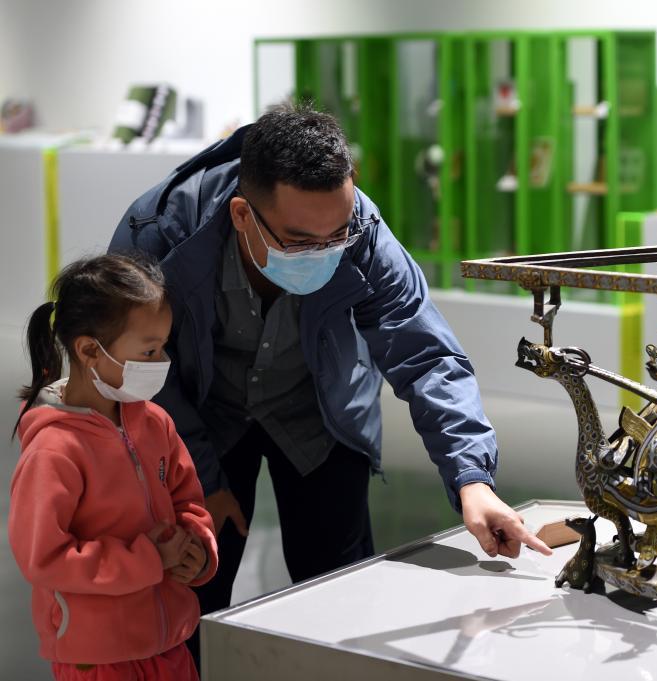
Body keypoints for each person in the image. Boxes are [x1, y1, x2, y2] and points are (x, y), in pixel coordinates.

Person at [110, 105, 552, 662]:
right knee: (193, 595)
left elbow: (426, 354)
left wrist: (472, 479)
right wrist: (197, 473)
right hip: (202, 417)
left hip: (321, 414)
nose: (320, 251)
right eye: (298, 241)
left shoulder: (362, 229)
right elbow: (139, 367)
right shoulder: (162, 230)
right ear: (243, 214)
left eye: (334, 236)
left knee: (343, 594)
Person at [8, 254, 218, 681]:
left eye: (163, 346)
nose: (161, 361)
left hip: (171, 644)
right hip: (98, 659)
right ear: (89, 350)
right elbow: (44, 558)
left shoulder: (155, 422)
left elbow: (189, 502)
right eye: (149, 350)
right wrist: (149, 560)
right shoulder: (54, 450)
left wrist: (198, 550)